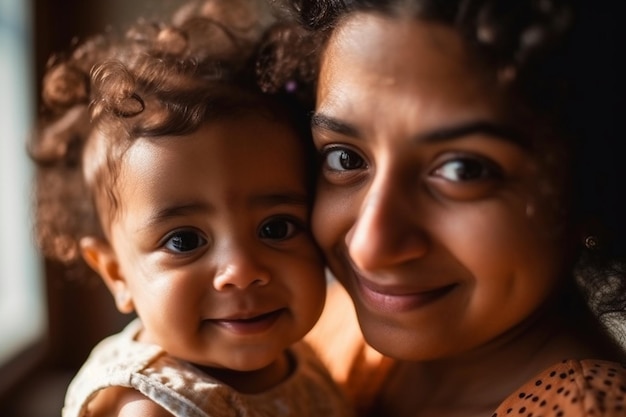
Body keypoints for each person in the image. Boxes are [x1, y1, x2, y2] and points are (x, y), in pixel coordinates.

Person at [260, 0, 626, 416]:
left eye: (464, 170)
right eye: (345, 159)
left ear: (595, 183)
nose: (369, 246)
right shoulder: (334, 327)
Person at [28, 1, 352, 416]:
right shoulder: (151, 406)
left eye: (277, 228)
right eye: (184, 240)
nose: (242, 271)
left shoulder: (298, 358)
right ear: (115, 273)